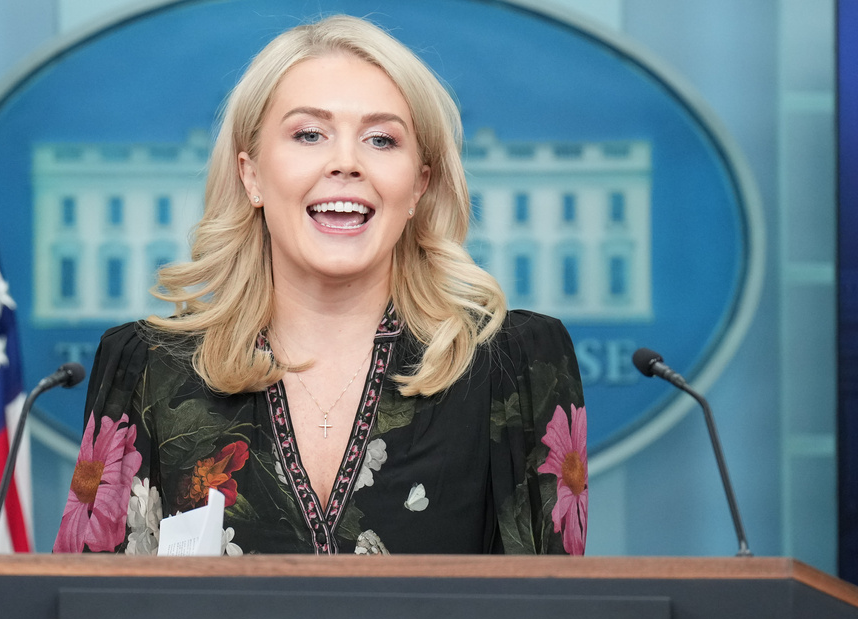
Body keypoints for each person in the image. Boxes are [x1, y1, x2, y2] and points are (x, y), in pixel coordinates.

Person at [53, 15, 587, 557]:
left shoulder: (518, 364)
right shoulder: (144, 368)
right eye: (309, 134)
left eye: (381, 139)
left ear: (418, 187)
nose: (346, 163)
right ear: (252, 174)